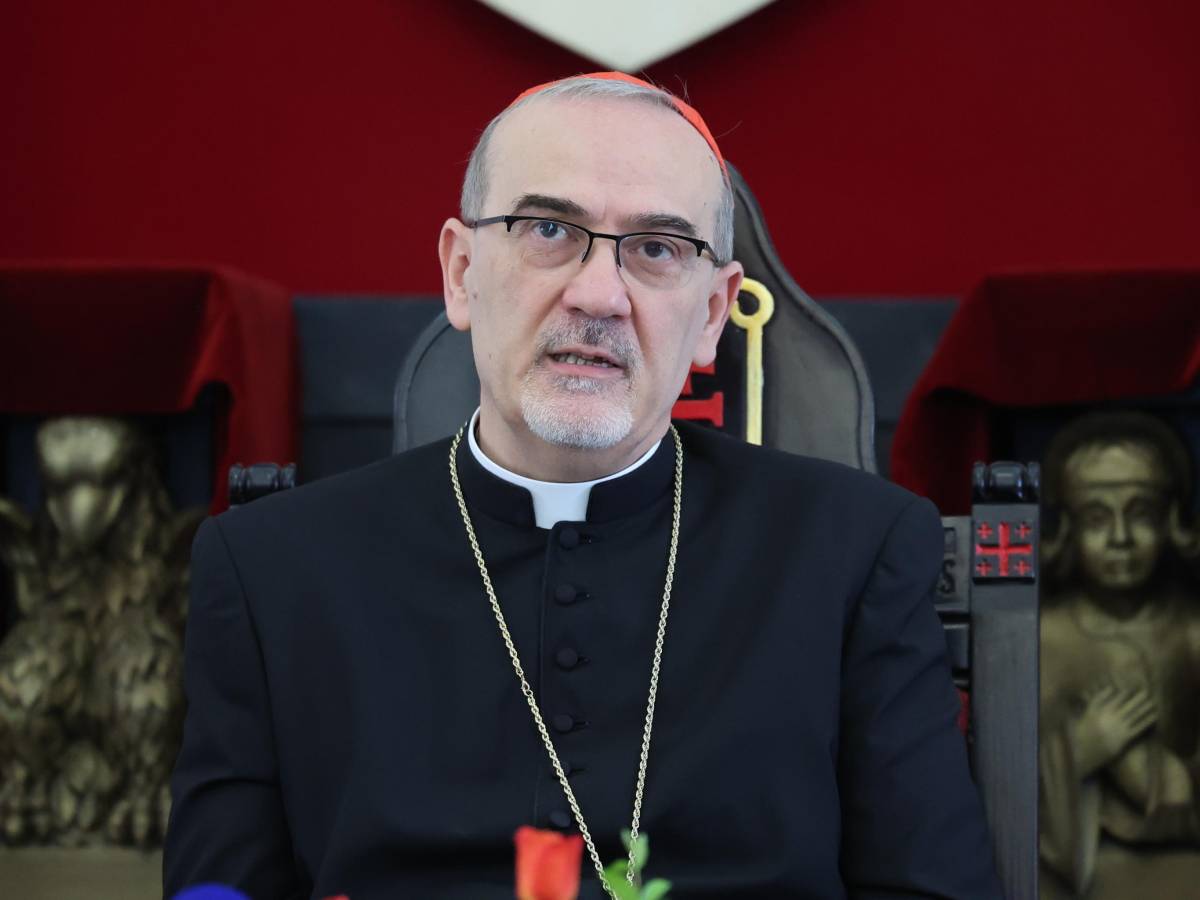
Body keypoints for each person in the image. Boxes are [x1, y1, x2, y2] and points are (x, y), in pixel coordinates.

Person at [163, 72, 1001, 899]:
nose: (598, 295)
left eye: (657, 248)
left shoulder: (852, 552)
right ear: (461, 272)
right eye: (547, 229)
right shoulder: (273, 569)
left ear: (713, 314)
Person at [1038, 411, 1200, 899]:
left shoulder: (1191, 631)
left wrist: (1174, 780)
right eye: (1096, 518)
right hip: (1082, 869)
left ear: (1172, 521)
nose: (1121, 537)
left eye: (1141, 514)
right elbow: (1001, 772)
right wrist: (1080, 750)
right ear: (1067, 528)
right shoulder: (1044, 637)